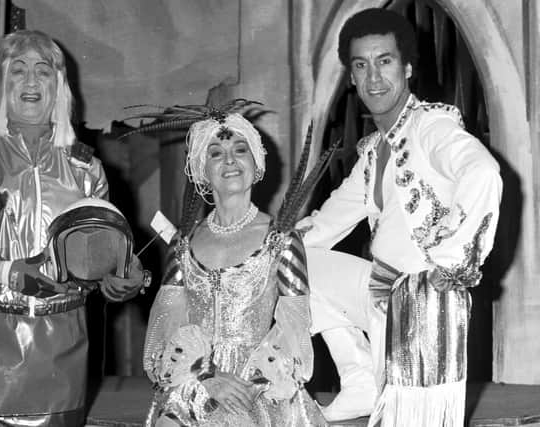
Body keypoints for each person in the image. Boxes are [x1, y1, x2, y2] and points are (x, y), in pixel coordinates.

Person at [0, 30, 146, 426]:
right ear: (0, 82)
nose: (30, 81)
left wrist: (122, 277)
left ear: (58, 85)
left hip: (65, 346)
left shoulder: (84, 168)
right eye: (18, 69)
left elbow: (99, 257)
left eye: (43, 71)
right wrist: (2, 271)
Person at [297, 8, 502, 426]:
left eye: (384, 61)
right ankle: (358, 380)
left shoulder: (431, 127)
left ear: (407, 67)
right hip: (379, 295)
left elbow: (483, 173)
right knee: (292, 259)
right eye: (361, 65)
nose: (374, 77)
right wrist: (262, 247)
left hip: (420, 309)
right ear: (351, 77)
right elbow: (322, 227)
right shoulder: (374, 153)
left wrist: (452, 262)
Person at [140, 109, 326, 426]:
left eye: (240, 150)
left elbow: (294, 328)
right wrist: (206, 376)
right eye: (216, 153)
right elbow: (167, 327)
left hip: (259, 387)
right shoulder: (183, 244)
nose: (229, 161)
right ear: (201, 170)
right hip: (195, 380)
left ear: (255, 163)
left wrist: (249, 388)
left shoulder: (281, 240)